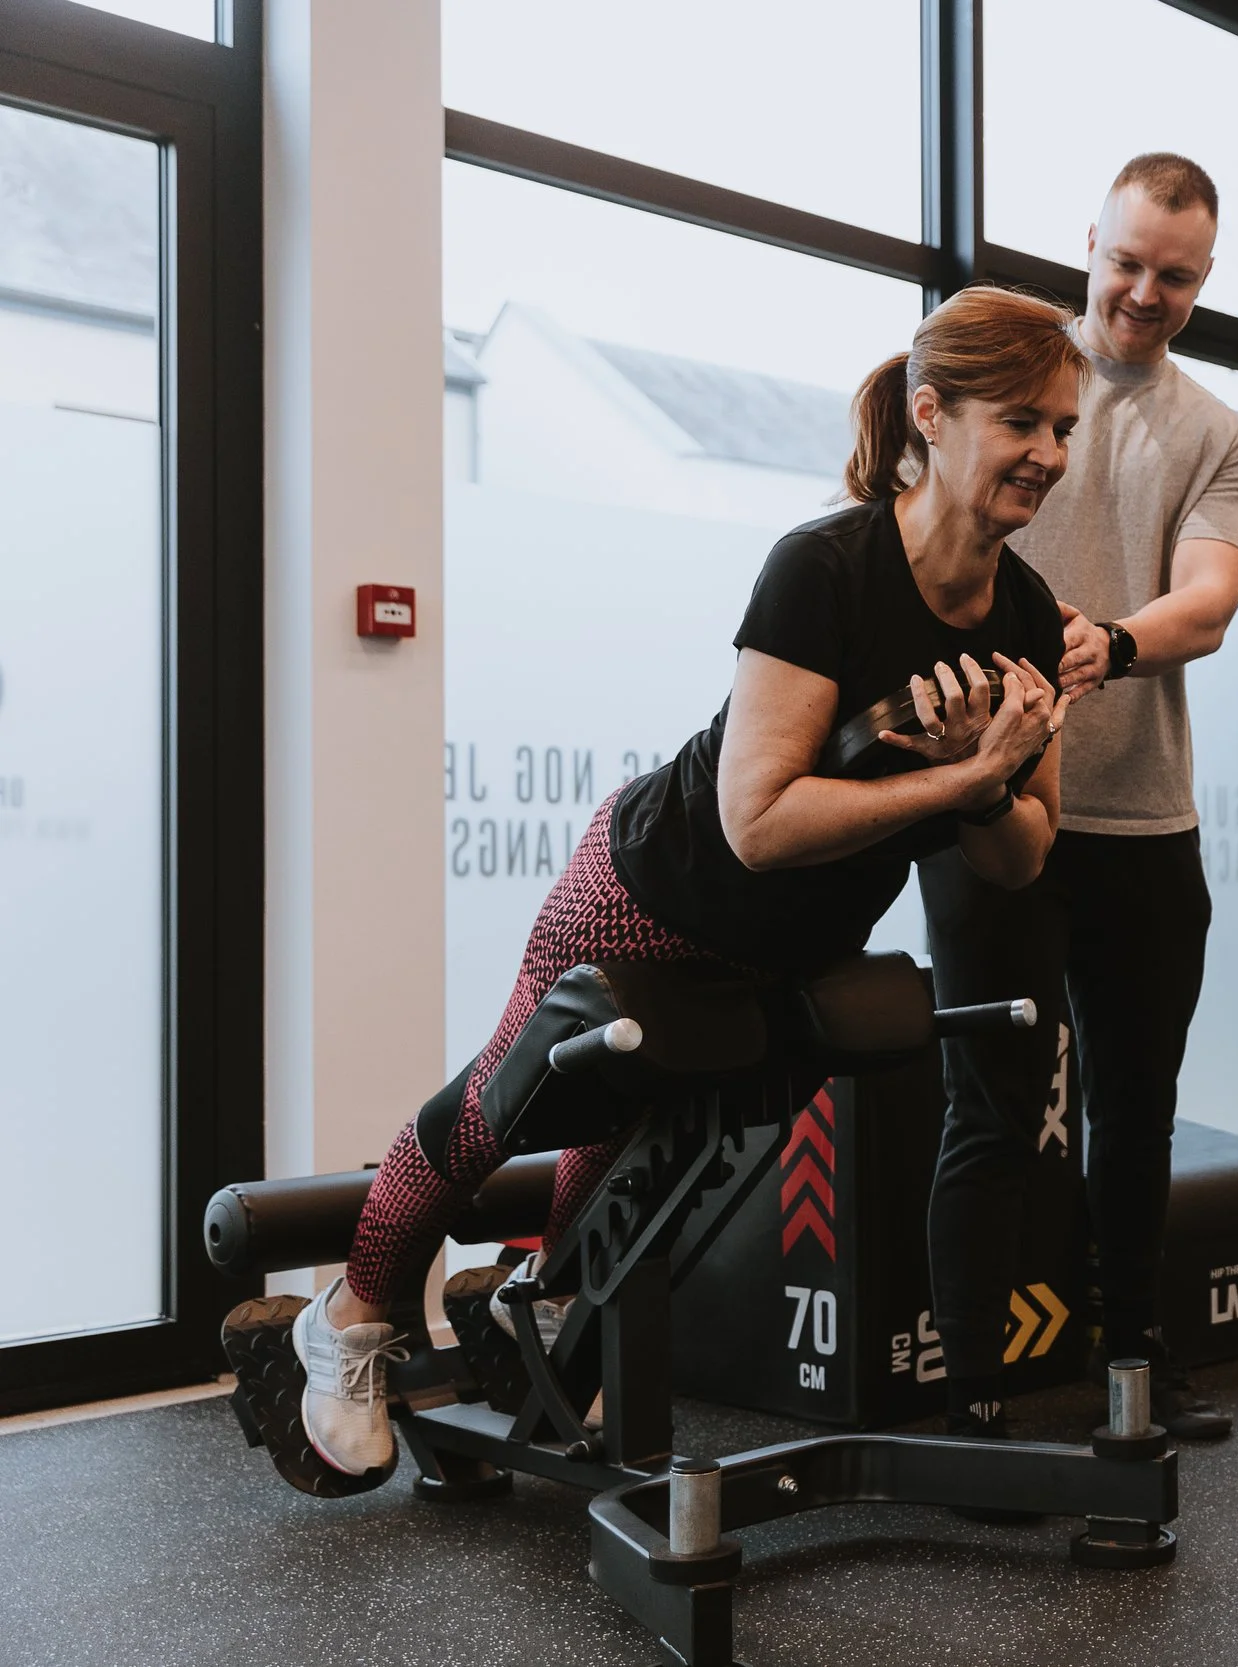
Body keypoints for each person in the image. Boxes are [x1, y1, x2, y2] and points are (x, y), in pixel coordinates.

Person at [288, 287, 1088, 1478]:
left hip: (786, 947)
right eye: (1024, 421)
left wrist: (991, 780)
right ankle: (348, 1315)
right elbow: (758, 820)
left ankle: (545, 1314)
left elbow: (1025, 853)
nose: (1050, 454)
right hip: (646, 891)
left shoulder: (1025, 612)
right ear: (932, 412)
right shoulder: (825, 565)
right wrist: (962, 781)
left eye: (1065, 427)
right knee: (506, 1102)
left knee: (627, 1144)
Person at [919, 153, 1238, 1444]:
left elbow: (1213, 594)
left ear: (1203, 281)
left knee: (1133, 1104)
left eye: (1174, 275)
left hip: (1139, 821)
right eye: (1126, 261)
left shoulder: (1220, 434)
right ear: (1091, 242)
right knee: (993, 1105)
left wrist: (1110, 642)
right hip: (990, 802)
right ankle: (968, 1399)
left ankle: (1132, 1359)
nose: (1143, 291)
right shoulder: (1011, 388)